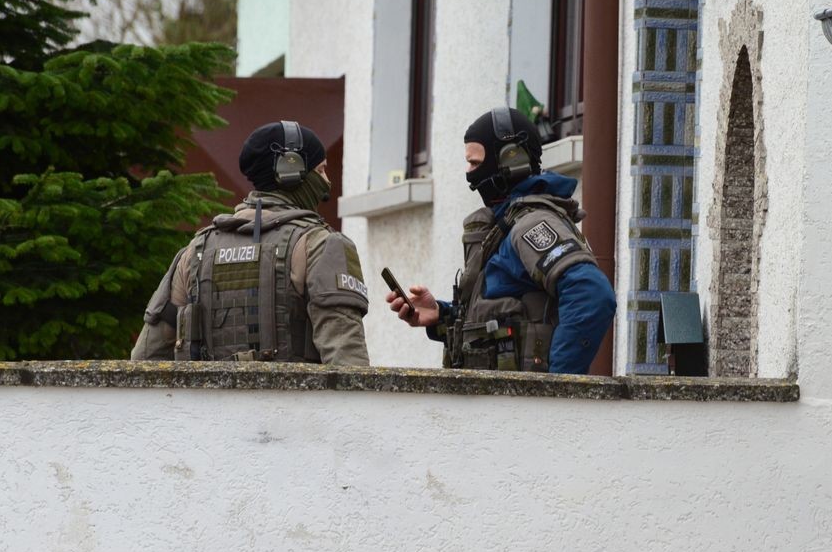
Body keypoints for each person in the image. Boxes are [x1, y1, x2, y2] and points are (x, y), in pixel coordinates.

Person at [386, 107, 616, 374]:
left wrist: (558, 390)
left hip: (524, 411)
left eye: (474, 163)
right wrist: (442, 314)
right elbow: (504, 319)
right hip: (499, 409)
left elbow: (592, 295)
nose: (470, 174)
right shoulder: (505, 225)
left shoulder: (532, 224)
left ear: (510, 160)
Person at [131, 120, 371, 365]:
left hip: (209, 403)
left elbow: (146, 358)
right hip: (292, 403)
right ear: (291, 173)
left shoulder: (196, 250)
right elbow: (347, 360)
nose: (327, 182)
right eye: (320, 170)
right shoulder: (321, 245)